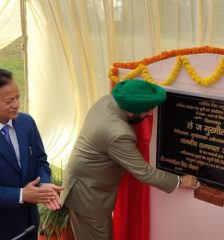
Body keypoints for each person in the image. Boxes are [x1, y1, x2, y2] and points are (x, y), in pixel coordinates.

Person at [61, 79, 199, 240]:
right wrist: (181, 181)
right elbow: (144, 172)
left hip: (84, 188)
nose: (150, 114)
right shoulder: (118, 133)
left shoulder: (107, 101)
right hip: (88, 198)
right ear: (133, 111)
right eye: (148, 110)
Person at [0, 69, 63, 240]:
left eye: (18, 97)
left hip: (28, 223)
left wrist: (43, 183)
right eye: (9, 101)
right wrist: (21, 195)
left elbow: (40, 160)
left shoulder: (26, 123)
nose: (16, 104)